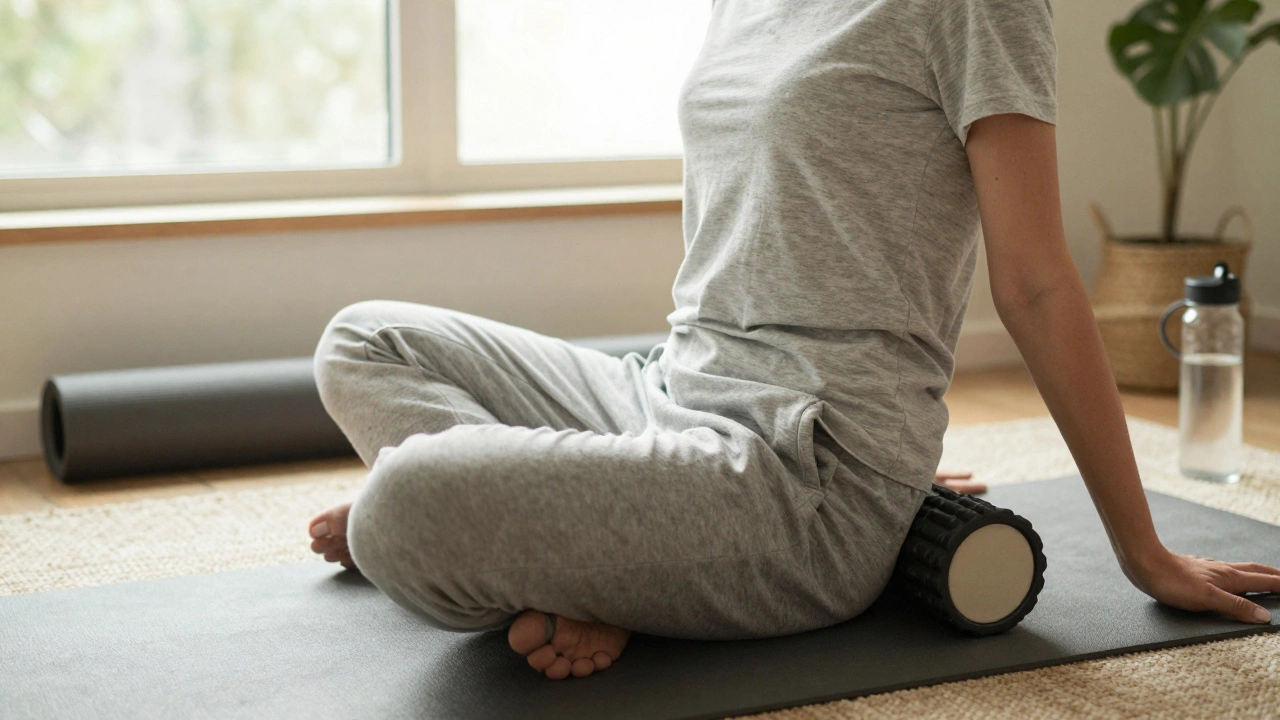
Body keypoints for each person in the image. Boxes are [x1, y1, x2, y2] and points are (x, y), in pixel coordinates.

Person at [307, 0, 1280, 681]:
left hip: (798, 474)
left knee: (401, 505)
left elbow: (1031, 280)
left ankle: (589, 557)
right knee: (363, 340)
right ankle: (604, 569)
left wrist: (1140, 550)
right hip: (670, 390)